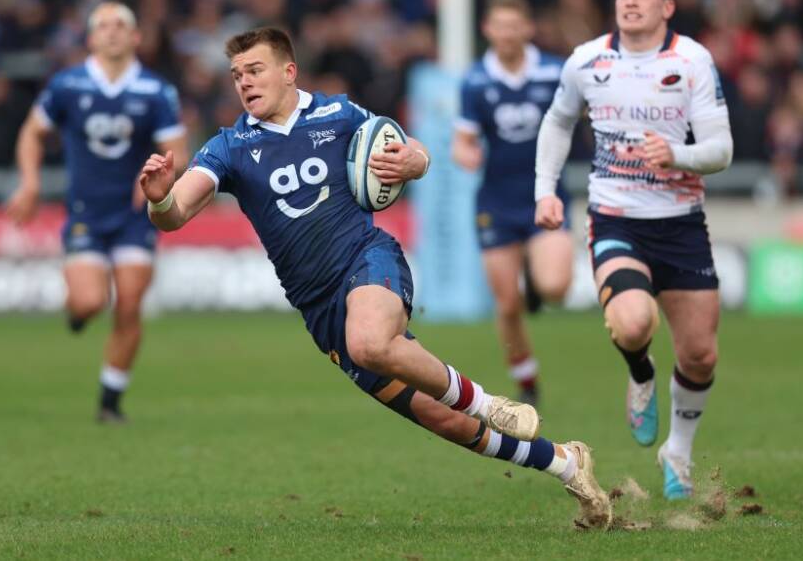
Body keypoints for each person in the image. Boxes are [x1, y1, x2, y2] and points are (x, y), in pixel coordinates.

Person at [139, 27, 612, 528]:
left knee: (368, 341)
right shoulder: (230, 147)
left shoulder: (339, 115)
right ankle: (566, 462)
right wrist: (159, 197)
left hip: (368, 259)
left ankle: (492, 404)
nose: (244, 84)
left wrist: (416, 161)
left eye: (255, 71)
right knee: (443, 418)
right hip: (319, 309)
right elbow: (176, 213)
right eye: (236, 76)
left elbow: (413, 153)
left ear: (288, 71)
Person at [534, 0, 733, 500]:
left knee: (700, 355)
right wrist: (545, 191)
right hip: (616, 216)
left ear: (667, 5)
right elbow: (556, 122)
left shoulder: (692, 61)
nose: (630, 2)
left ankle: (678, 452)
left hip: (682, 224)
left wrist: (679, 156)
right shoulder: (587, 61)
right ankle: (640, 372)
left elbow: (721, 149)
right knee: (632, 322)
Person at [6, 2, 188, 423]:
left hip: (133, 215)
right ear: (90, 38)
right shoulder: (67, 85)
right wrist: (30, 183)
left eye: (120, 24)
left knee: (128, 305)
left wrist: (158, 173)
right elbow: (33, 133)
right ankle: (77, 313)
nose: (111, 32)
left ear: (136, 37)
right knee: (90, 302)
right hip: (86, 211)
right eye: (102, 25)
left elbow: (177, 148)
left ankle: (109, 400)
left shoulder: (154, 90)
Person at [452, 0, 574, 407]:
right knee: (506, 304)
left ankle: (538, 282)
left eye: (513, 25)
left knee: (556, 287)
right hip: (497, 201)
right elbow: (463, 140)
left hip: (546, 194)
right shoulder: (475, 81)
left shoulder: (555, 72)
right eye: (498, 26)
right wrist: (465, 154)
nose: (506, 33)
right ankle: (527, 380)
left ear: (527, 29)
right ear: (488, 30)